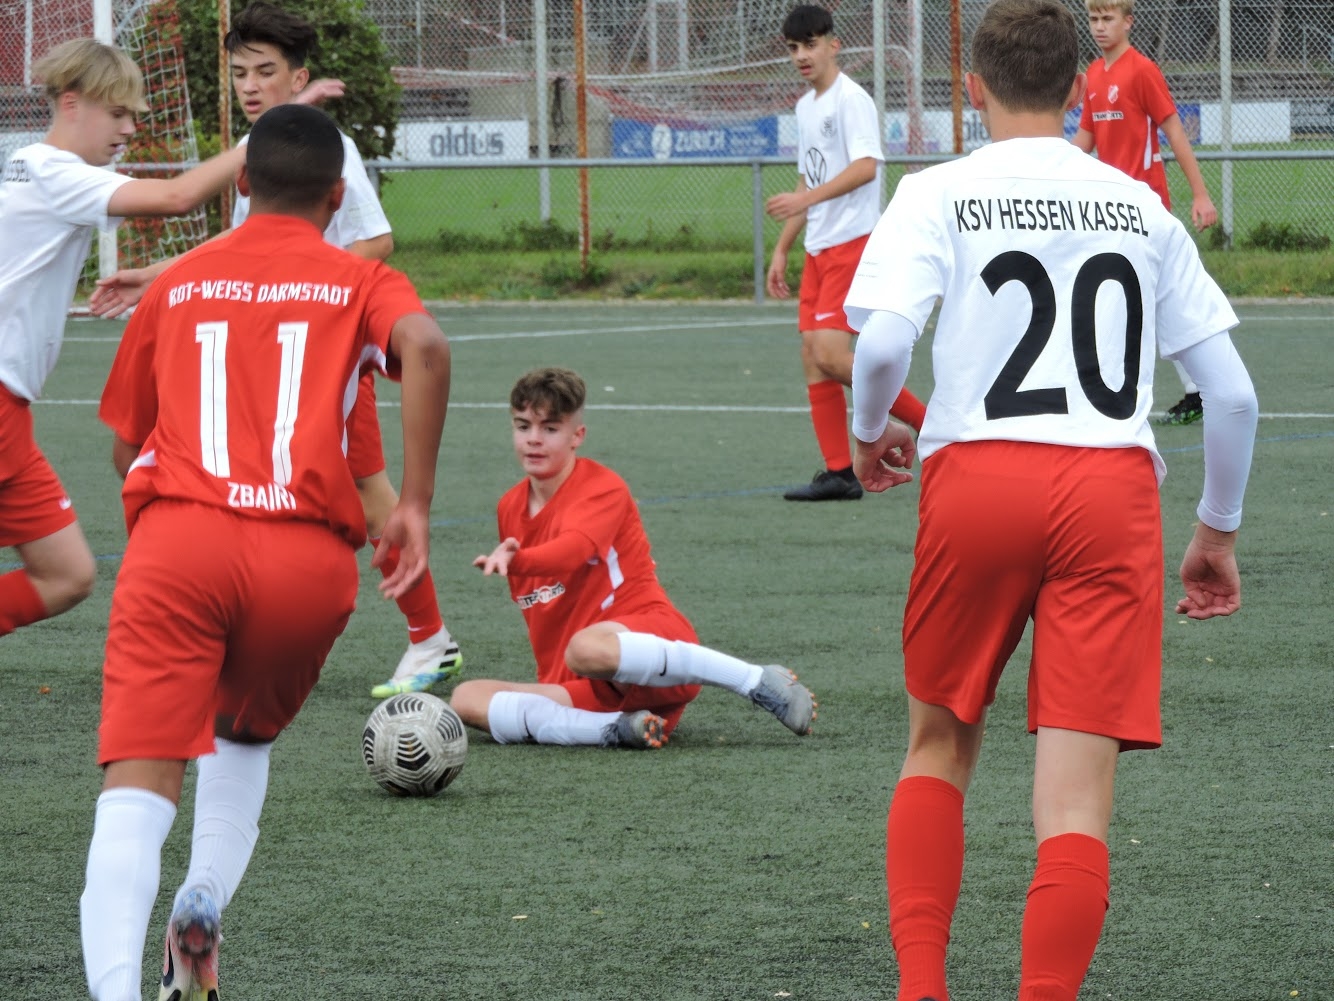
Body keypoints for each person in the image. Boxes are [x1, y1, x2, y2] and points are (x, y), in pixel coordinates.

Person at [843, 2, 1257, 999]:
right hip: (1109, 490)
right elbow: (1235, 396)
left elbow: (883, 343)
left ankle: (920, 986)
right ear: (1077, 89)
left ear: (972, 90)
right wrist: (1215, 531)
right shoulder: (1139, 207)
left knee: (936, 744)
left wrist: (866, 431)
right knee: (1073, 807)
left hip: (978, 480)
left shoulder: (936, 191)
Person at [81, 103, 451, 1001]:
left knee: (137, 784)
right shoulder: (359, 279)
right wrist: (413, 504)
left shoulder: (180, 281)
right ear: (338, 196)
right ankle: (205, 893)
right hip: (305, 560)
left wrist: (166, 536)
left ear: (242, 184)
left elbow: (127, 444)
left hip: (181, 540)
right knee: (240, 735)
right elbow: (427, 347)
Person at [90, 1, 461, 699]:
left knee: (367, 497)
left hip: (320, 355)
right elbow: (242, 250)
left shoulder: (324, 147)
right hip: (273, 347)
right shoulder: (260, 149)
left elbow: (377, 240)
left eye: (265, 72)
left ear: (299, 78)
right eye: (240, 73)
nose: (251, 85)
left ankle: (428, 636)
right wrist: (159, 274)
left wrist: (312, 297)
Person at [0, 38, 246, 644]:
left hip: (11, 412)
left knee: (67, 576)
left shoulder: (36, 167)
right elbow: (176, 197)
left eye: (133, 116)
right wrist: (257, 143)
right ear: (71, 104)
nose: (130, 129)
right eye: (118, 113)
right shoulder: (54, 172)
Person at [451, 367, 815, 749]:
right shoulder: (509, 506)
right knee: (467, 698)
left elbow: (573, 550)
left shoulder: (601, 487)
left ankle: (754, 680)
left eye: (550, 428)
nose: (534, 439)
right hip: (584, 684)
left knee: (585, 648)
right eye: (523, 426)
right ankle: (615, 729)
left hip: (652, 655)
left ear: (577, 436)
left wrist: (520, 560)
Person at [765, 4, 926, 502]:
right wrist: (782, 248)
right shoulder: (805, 107)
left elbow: (866, 167)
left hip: (852, 244)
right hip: (819, 249)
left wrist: (805, 201)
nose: (802, 55)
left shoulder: (850, 99)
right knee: (813, 358)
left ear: (833, 45)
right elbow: (807, 183)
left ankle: (932, 425)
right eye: (794, 47)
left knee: (832, 357)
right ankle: (839, 472)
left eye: (810, 44)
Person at [1072, 0, 1219, 426]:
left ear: (1128, 22)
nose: (1099, 26)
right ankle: (1193, 390)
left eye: (1108, 18)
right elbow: (1084, 141)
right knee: (1138, 300)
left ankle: (1199, 387)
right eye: (1093, 19)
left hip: (1146, 207)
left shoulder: (1142, 71)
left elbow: (1174, 131)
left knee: (1151, 300)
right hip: (1110, 211)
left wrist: (1200, 195)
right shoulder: (1093, 75)